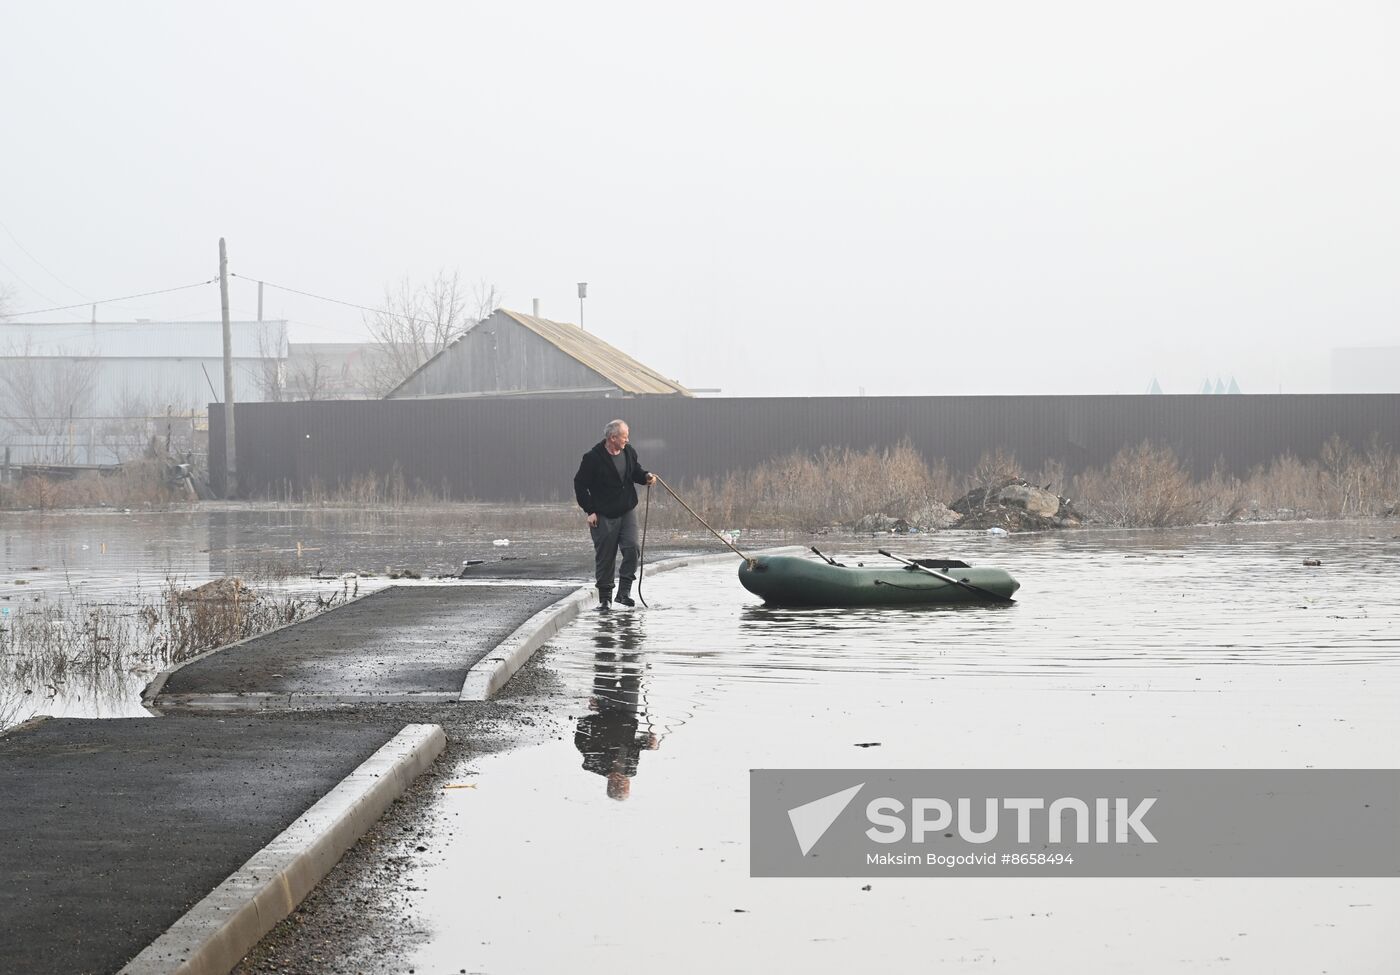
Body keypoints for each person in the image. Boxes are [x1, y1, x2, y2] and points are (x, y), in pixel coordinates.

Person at [573, 419, 657, 611]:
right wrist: (590, 511)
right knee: (606, 556)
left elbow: (635, 471)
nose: (627, 440)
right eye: (624, 436)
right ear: (613, 438)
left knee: (632, 548)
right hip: (603, 514)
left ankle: (624, 593)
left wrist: (646, 477)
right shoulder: (592, 458)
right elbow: (579, 484)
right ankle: (605, 600)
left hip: (627, 509)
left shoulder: (629, 451)